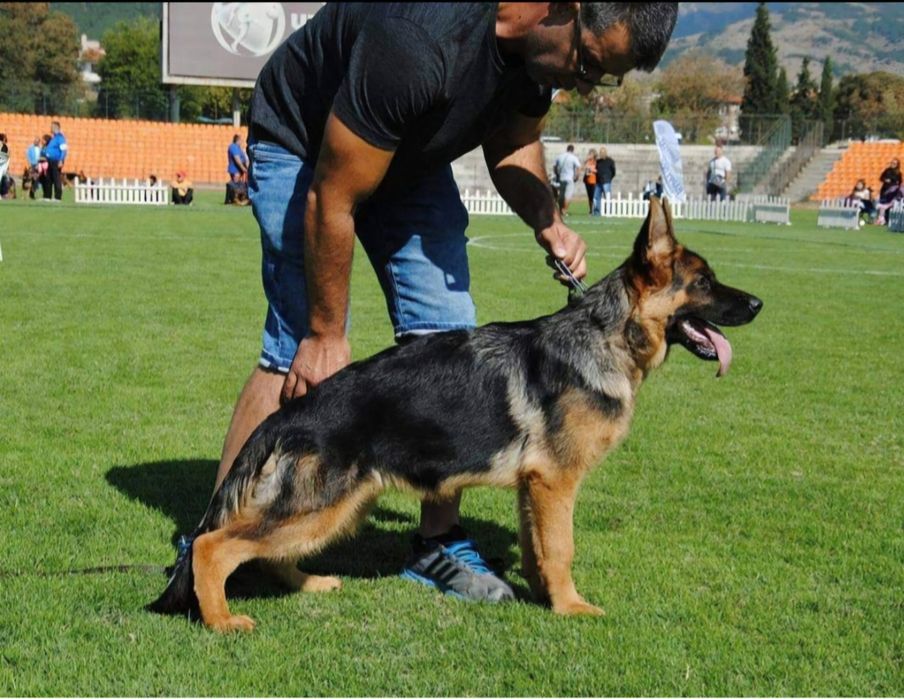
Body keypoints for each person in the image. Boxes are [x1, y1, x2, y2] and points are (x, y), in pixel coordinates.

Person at [204, 2, 678, 603]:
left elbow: (514, 143)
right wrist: (325, 334)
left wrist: (548, 220)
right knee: (293, 346)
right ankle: (216, 541)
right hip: (306, 143)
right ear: (566, 8)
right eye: (588, 64)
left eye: (600, 78)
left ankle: (437, 545)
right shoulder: (419, 37)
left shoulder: (542, 55)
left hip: (408, 151)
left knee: (448, 334)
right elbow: (332, 196)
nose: (583, 84)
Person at [553, 144, 583, 215]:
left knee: (561, 195)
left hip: (561, 178)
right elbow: (579, 167)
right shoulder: (573, 157)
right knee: (568, 195)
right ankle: (564, 210)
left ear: (567, 149)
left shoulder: (560, 156)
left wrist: (557, 174)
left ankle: (560, 209)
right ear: (573, 150)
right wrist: (577, 176)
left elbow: (554, 166)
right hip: (569, 178)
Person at [44, 121, 68, 201]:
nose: (50, 128)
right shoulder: (53, 138)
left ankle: (58, 197)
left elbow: (64, 150)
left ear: (56, 127)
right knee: (48, 178)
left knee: (56, 178)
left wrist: (61, 160)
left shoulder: (60, 138)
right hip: (50, 161)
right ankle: (47, 196)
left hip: (56, 161)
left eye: (51, 127)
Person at [226, 133, 249, 204]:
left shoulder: (239, 148)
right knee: (235, 185)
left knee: (238, 185)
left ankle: (235, 199)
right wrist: (243, 168)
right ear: (237, 140)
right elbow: (237, 159)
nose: (241, 142)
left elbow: (244, 158)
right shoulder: (233, 147)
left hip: (239, 170)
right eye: (241, 140)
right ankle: (232, 199)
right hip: (235, 170)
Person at [592, 146, 616, 214]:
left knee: (607, 197)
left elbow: (613, 172)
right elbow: (596, 170)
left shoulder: (610, 161)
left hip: (606, 181)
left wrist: (609, 178)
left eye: (603, 152)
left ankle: (608, 211)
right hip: (598, 182)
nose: (602, 154)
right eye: (601, 152)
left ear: (606, 153)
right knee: (596, 197)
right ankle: (597, 212)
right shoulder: (598, 161)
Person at [582, 148, 597, 214]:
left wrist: (592, 170)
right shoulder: (587, 161)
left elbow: (598, 170)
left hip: (594, 180)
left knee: (593, 196)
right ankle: (591, 210)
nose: (590, 155)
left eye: (591, 154)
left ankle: (595, 209)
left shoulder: (596, 161)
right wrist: (585, 162)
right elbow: (582, 168)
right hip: (587, 180)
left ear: (594, 155)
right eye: (589, 153)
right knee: (589, 196)